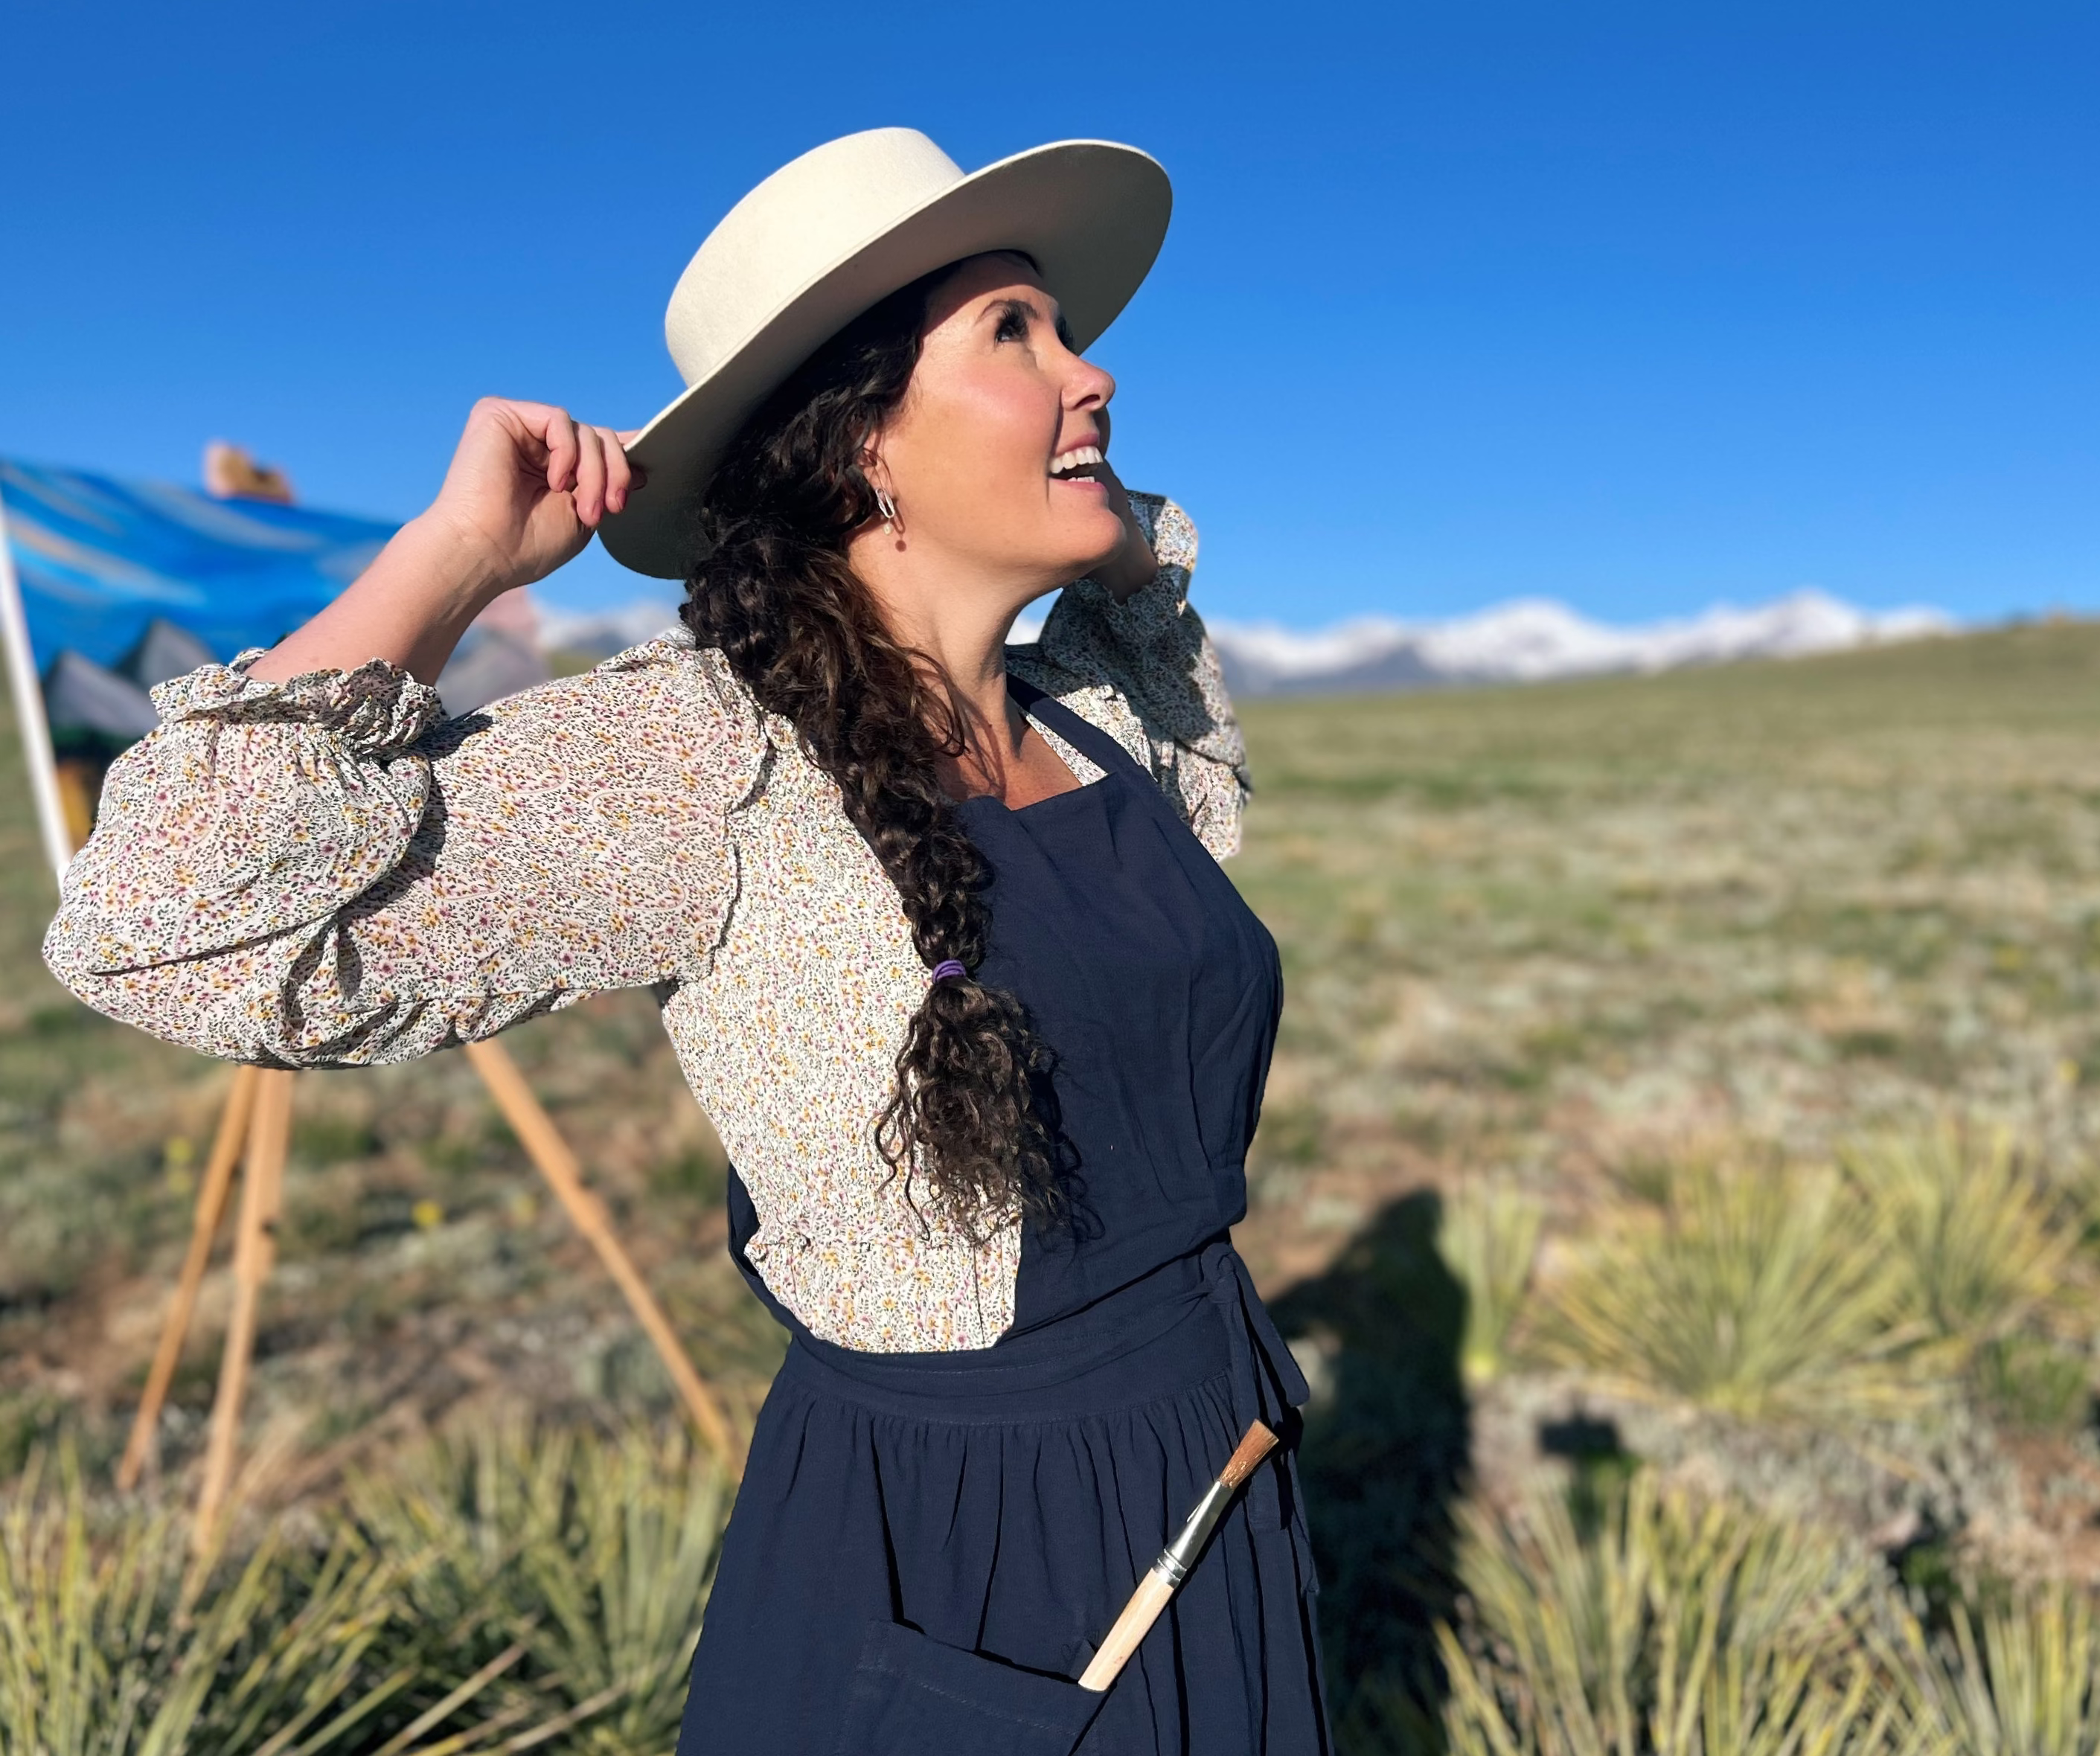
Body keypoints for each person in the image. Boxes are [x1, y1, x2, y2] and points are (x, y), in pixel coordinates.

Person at [46, 128, 1328, 1755]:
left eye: (1066, 331)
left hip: (1211, 1464)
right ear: (859, 434)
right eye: (1016, 333)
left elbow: (1177, 702)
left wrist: (1123, 543)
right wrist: (449, 562)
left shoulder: (1093, 726)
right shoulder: (696, 763)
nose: (1093, 378)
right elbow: (153, 918)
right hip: (967, 1560)